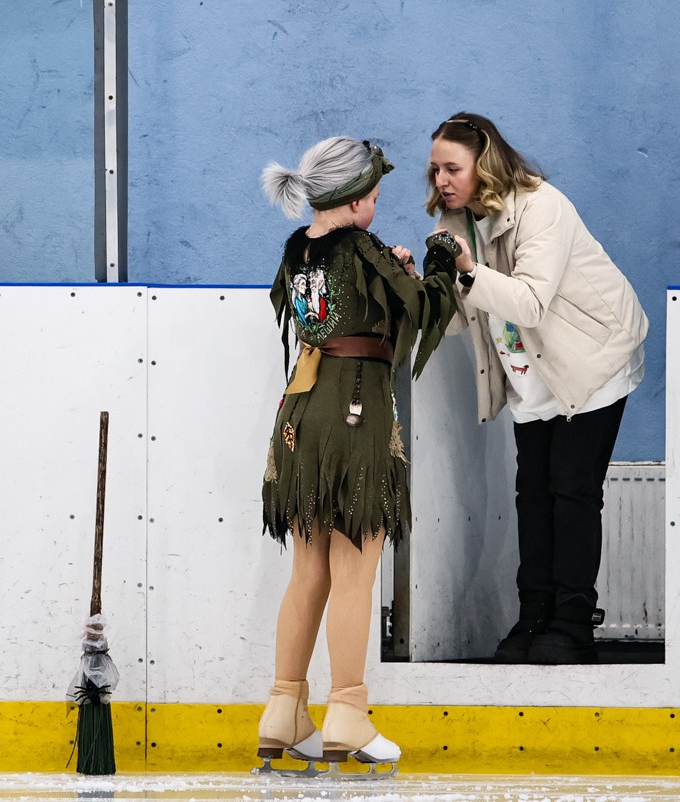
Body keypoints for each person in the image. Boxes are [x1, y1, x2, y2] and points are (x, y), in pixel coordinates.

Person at [256, 136, 456, 775]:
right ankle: (347, 710)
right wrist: (439, 259)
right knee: (355, 571)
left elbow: (323, 312)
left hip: (299, 414)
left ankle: (285, 709)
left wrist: (382, 275)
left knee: (308, 570)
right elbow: (423, 308)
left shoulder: (298, 250)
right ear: (353, 197)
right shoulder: (362, 247)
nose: (376, 202)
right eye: (373, 193)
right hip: (355, 414)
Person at [426, 113, 649, 665]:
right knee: (533, 496)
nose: (441, 181)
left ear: (485, 164)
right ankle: (534, 616)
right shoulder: (459, 222)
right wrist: (420, 282)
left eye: (452, 168)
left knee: (571, 490)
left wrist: (465, 269)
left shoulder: (542, 206)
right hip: (531, 370)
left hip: (589, 362)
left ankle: (573, 622)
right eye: (434, 170)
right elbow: (457, 319)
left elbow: (527, 301)